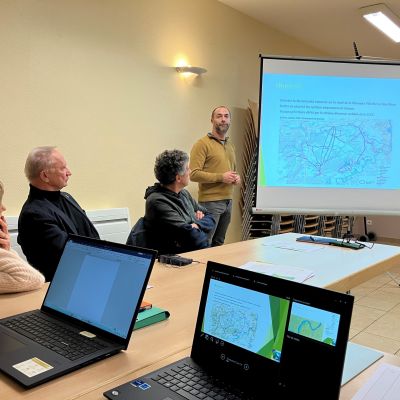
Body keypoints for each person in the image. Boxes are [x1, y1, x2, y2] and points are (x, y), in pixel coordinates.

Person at [18, 146, 99, 281]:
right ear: (45, 176)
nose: (69, 172)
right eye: (63, 168)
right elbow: (72, 254)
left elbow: (91, 235)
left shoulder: (66, 198)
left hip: (87, 274)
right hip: (64, 285)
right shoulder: (33, 214)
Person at [143, 149, 215, 255]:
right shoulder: (156, 202)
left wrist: (196, 225)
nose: (190, 171)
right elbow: (189, 235)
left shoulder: (183, 193)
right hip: (171, 259)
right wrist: (194, 226)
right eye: (187, 168)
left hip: (190, 254)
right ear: (178, 178)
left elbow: (210, 216)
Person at [190, 106, 240, 246]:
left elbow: (232, 170)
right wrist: (221, 177)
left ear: (230, 120)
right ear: (212, 120)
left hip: (228, 201)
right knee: (205, 243)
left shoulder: (230, 145)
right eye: (219, 116)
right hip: (210, 203)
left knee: (219, 243)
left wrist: (236, 178)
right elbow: (193, 174)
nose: (223, 119)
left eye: (226, 116)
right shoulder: (202, 144)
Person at [0, 181, 45, 293]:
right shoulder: (35, 212)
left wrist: (6, 250)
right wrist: (5, 252)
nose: (4, 208)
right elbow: (34, 279)